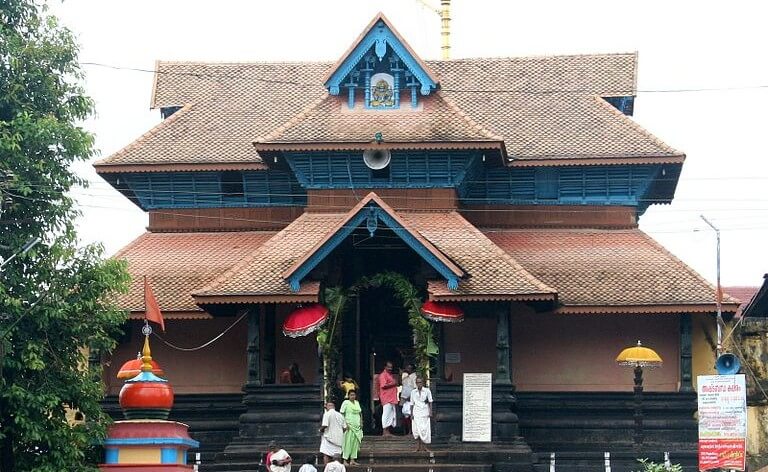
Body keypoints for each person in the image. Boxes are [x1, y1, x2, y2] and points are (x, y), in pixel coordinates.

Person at [340, 390, 363, 466]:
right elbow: (342, 414)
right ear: (348, 396)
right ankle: (345, 460)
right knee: (348, 443)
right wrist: (345, 424)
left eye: (354, 395)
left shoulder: (357, 402)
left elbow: (360, 413)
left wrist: (361, 422)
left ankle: (352, 460)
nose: (353, 396)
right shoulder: (345, 403)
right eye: (351, 395)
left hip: (357, 426)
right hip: (349, 426)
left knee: (355, 443)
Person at [409, 377, 433, 452]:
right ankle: (418, 447)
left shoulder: (427, 391)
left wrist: (430, 411)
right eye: (417, 382)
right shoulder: (413, 392)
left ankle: (425, 447)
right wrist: (411, 413)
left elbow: (430, 401)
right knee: (416, 430)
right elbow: (412, 403)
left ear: (422, 383)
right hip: (416, 412)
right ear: (416, 383)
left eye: (420, 382)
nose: (419, 384)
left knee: (424, 429)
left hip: (424, 411)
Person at [378, 361, 398, 436]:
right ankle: (385, 432)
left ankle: (388, 431)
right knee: (386, 414)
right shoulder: (383, 375)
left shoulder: (390, 375)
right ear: (385, 367)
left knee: (390, 414)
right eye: (388, 367)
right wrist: (393, 384)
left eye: (391, 367)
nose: (390, 368)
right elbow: (383, 385)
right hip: (386, 398)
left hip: (391, 398)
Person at [400, 364, 417, 435]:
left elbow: (415, 388)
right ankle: (405, 431)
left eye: (409, 368)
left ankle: (411, 431)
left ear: (412, 369)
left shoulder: (414, 376)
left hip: (411, 398)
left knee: (411, 415)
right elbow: (400, 383)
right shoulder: (404, 375)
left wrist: (410, 397)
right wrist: (400, 374)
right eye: (407, 368)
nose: (407, 369)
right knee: (404, 415)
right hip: (403, 396)